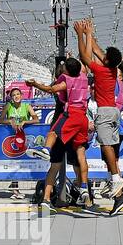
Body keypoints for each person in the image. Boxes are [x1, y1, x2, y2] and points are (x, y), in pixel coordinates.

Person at [76, 18, 123, 213]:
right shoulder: (112, 68)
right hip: (114, 112)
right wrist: (90, 33)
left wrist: (80, 34)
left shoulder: (100, 69)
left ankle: (116, 178)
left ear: (106, 61)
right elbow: (97, 50)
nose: (102, 56)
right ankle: (116, 184)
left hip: (105, 112)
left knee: (105, 144)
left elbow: (85, 56)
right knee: (110, 148)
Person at [28, 58, 92, 212]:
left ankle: (46, 198)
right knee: (79, 159)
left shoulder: (62, 84)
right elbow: (85, 60)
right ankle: (85, 193)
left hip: (66, 120)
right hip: (81, 120)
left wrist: (34, 83)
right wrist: (84, 35)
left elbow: (51, 89)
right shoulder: (83, 77)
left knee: (55, 164)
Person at [1, 87, 36, 200]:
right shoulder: (8, 106)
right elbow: (0, 119)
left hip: (23, 137)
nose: (16, 96)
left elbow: (36, 119)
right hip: (11, 138)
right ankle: (15, 188)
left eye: (18, 94)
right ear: (11, 98)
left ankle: (15, 186)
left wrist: (25, 121)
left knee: (22, 163)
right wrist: (10, 121)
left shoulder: (26, 106)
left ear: (21, 95)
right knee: (14, 162)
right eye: (13, 95)